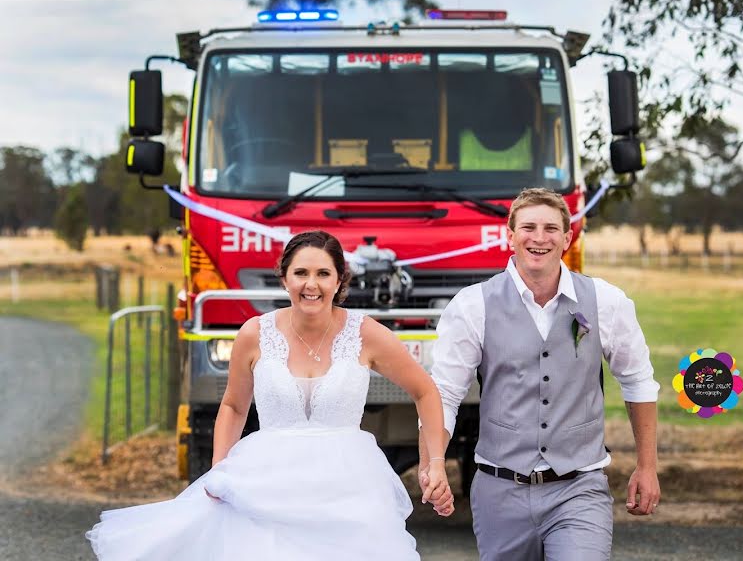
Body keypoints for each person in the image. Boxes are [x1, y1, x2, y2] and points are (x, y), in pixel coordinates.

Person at [87, 230, 453, 560]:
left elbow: (425, 391)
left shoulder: (366, 333)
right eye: (302, 273)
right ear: (284, 278)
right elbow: (233, 405)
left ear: (340, 279)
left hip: (348, 484)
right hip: (266, 478)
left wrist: (434, 463)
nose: (312, 285)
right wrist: (220, 470)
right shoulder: (254, 333)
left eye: (323, 274)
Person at [419, 188, 661, 560]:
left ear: (567, 238)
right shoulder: (472, 306)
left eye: (551, 228)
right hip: (500, 489)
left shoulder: (606, 301)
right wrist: (434, 462)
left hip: (579, 488)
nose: (539, 237)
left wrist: (647, 467)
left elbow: (638, 380)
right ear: (510, 235)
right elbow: (444, 396)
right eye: (528, 227)